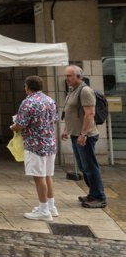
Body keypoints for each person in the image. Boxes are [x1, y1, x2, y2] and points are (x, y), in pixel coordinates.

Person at [11, 75, 59, 221]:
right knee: (47, 175)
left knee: (39, 177)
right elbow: (55, 120)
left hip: (35, 144)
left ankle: (44, 210)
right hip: (50, 143)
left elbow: (21, 124)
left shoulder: (28, 102)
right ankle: (51, 206)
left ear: (27, 87)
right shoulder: (50, 100)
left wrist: (13, 127)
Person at [62, 65, 107, 208]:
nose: (66, 78)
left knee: (90, 167)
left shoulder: (85, 90)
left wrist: (83, 133)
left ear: (78, 77)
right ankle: (93, 193)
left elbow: (90, 114)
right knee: (83, 166)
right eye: (66, 75)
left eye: (69, 76)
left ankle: (99, 197)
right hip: (76, 134)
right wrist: (66, 129)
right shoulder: (73, 90)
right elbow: (71, 112)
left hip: (85, 136)